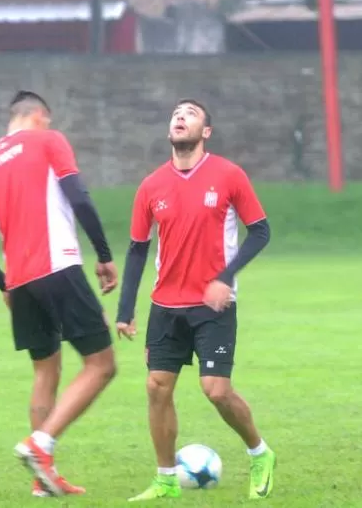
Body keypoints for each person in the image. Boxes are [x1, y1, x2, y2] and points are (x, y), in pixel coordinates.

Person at [0, 90, 119, 498]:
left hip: (22, 282)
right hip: (58, 266)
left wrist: (4, 285)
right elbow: (78, 196)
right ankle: (40, 445)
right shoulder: (49, 140)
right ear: (40, 115)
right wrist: (103, 255)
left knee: (45, 372)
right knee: (101, 365)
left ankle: (42, 480)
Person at [116, 99, 276, 501]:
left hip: (213, 305)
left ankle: (260, 454)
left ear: (206, 131)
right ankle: (166, 478)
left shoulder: (228, 175)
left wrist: (225, 278)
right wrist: (125, 309)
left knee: (216, 390)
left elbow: (260, 231)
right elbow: (137, 249)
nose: (180, 117)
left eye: (190, 113)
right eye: (176, 114)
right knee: (157, 388)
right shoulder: (151, 185)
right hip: (166, 306)